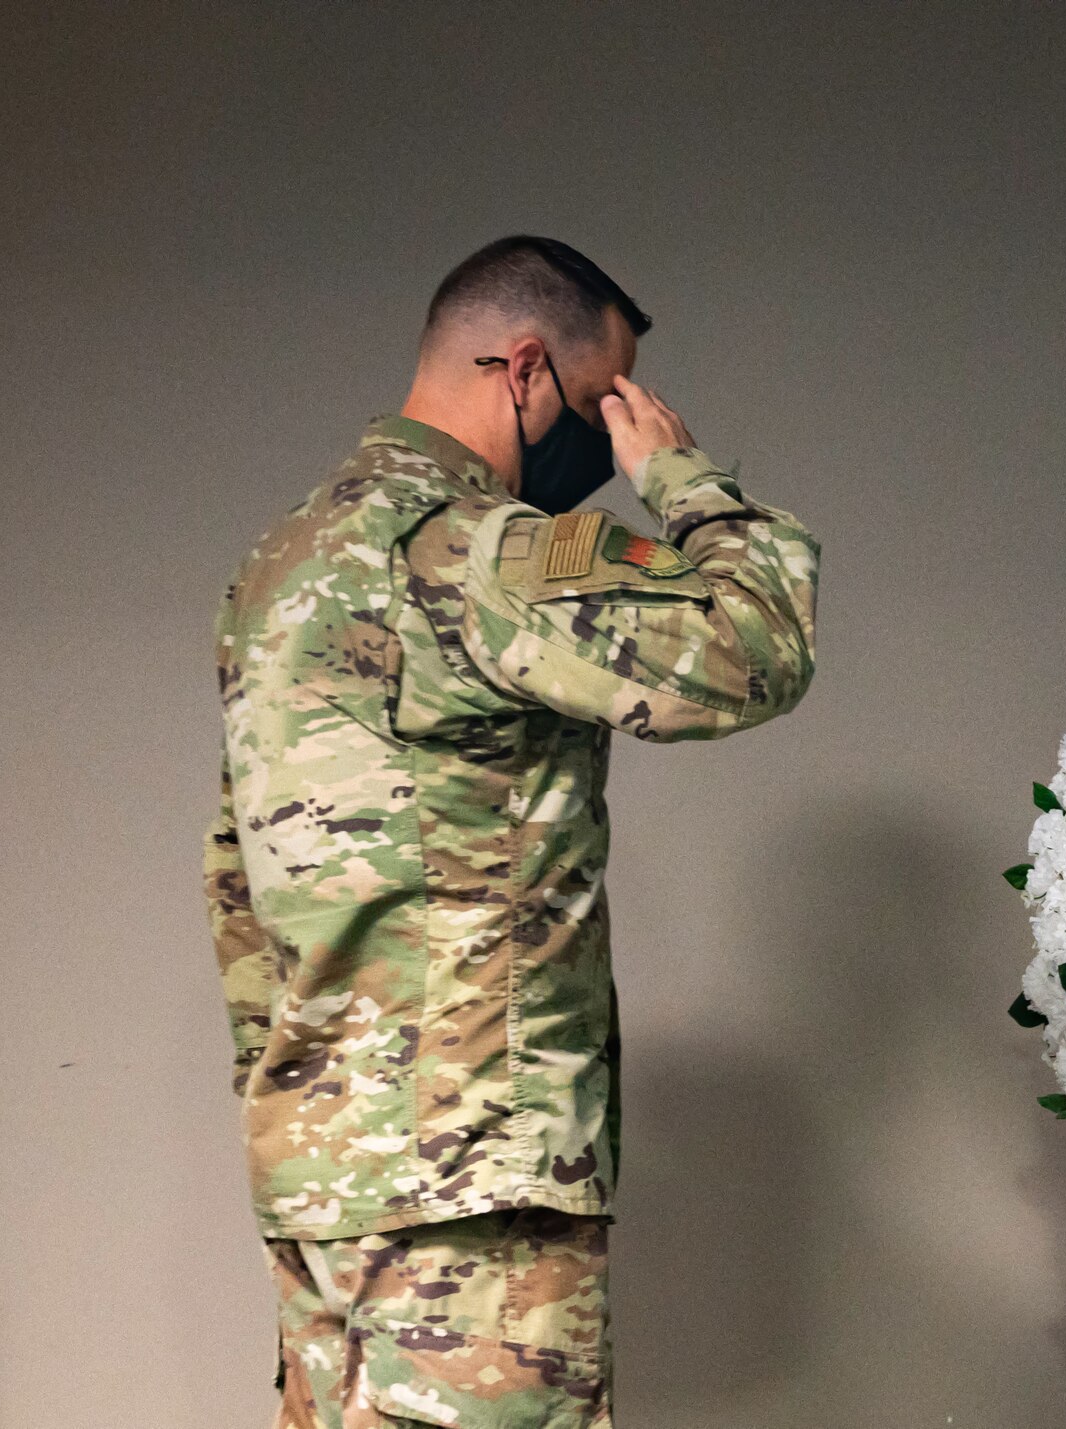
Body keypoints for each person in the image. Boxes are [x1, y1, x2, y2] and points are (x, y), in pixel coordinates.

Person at [205, 235, 820, 1427]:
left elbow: (239, 880)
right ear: (526, 368)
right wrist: (684, 477)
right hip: (474, 1179)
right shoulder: (484, 555)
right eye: (606, 401)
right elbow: (757, 647)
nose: (614, 432)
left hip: (318, 1168)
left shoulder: (276, 565)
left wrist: (280, 1094)